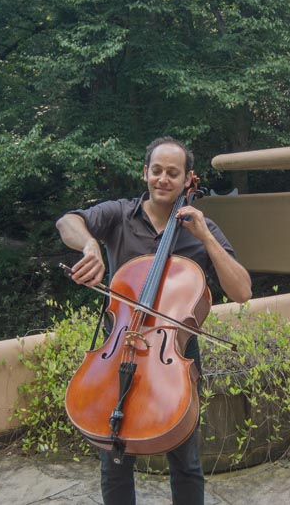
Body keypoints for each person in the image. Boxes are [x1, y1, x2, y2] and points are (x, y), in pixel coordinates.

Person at [56, 136, 252, 505]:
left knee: (186, 460)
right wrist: (89, 245)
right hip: (120, 348)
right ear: (145, 173)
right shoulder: (118, 214)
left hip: (173, 353)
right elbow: (68, 221)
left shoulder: (199, 228)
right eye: (157, 171)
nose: (163, 178)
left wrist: (206, 236)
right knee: (114, 459)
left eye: (172, 173)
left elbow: (242, 291)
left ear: (186, 179)